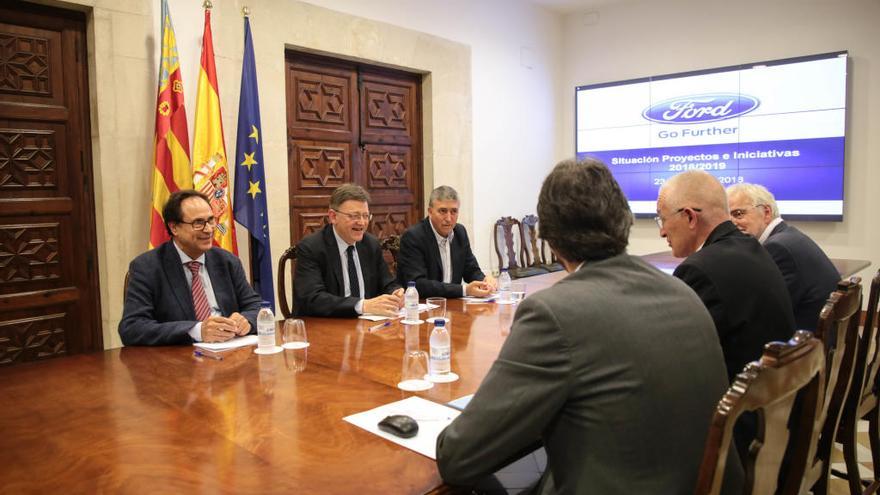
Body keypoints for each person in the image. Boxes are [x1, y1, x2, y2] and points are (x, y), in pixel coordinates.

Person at [437, 159, 741, 494]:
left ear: (549, 238)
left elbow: (458, 456)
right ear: (623, 220)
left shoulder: (553, 313)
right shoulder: (683, 292)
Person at [656, 171, 795, 383]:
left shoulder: (699, 270)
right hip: (773, 399)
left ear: (690, 217)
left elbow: (676, 358)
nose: (662, 232)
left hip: (737, 407)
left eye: (663, 220)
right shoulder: (751, 248)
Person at [119, 190, 261, 346]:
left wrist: (246, 320)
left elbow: (256, 306)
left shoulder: (227, 261)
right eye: (198, 223)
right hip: (179, 361)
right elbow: (132, 328)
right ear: (174, 228)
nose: (208, 229)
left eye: (211, 220)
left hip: (230, 354)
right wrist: (197, 331)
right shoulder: (147, 267)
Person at [726, 183, 839, 331]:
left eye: (738, 214)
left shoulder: (777, 248)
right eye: (728, 219)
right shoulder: (787, 236)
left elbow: (764, 313)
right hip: (823, 338)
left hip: (806, 346)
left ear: (766, 212)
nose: (732, 224)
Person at [293, 183, 403, 317]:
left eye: (365, 216)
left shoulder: (371, 244)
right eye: (354, 216)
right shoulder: (312, 247)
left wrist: (396, 293)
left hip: (368, 326)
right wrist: (362, 306)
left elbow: (387, 283)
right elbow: (312, 299)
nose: (362, 223)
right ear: (333, 216)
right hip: (326, 327)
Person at [397, 185, 496, 298]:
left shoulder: (460, 232)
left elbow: (471, 269)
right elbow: (418, 285)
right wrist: (464, 290)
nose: (449, 218)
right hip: (422, 306)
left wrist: (484, 280)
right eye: (443, 211)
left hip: (454, 305)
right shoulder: (413, 237)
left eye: (454, 211)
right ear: (430, 212)